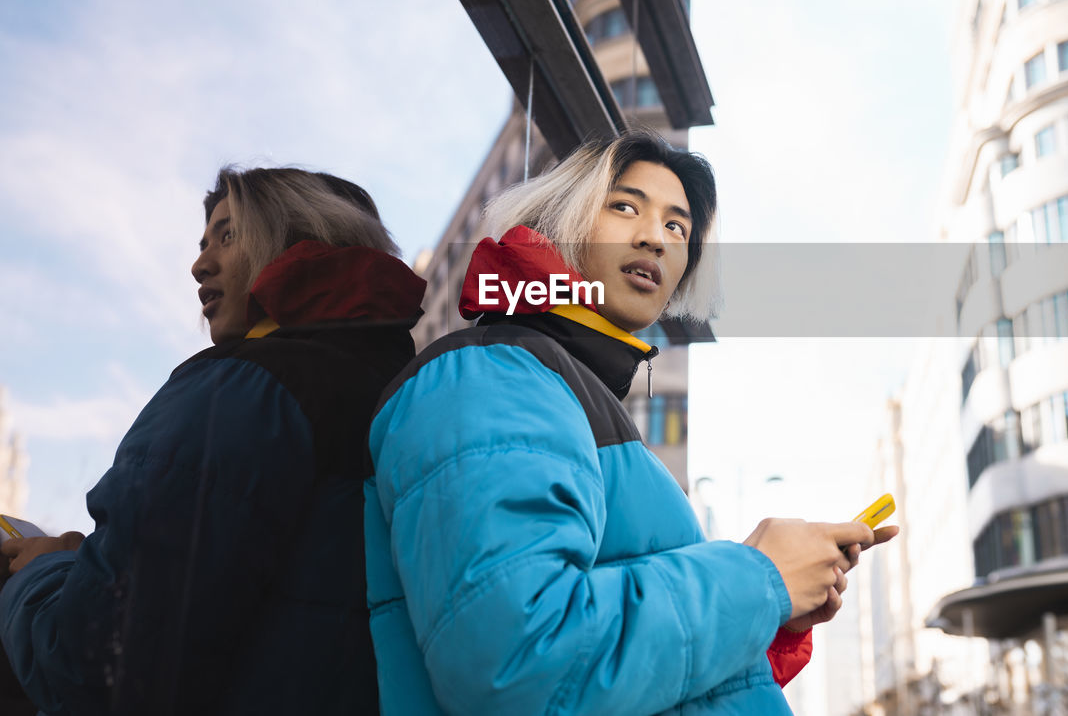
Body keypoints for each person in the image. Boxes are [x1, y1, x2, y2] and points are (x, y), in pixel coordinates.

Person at [364, 131, 898, 714]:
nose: (655, 237)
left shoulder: (562, 384)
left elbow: (641, 681)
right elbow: (519, 666)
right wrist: (759, 577)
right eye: (624, 206)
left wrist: (774, 606)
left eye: (678, 227)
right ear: (557, 220)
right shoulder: (496, 374)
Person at [0, 167, 427, 715]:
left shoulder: (243, 389)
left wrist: (39, 573)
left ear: (298, 235)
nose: (199, 264)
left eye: (228, 235)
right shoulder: (398, 393)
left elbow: (93, 662)